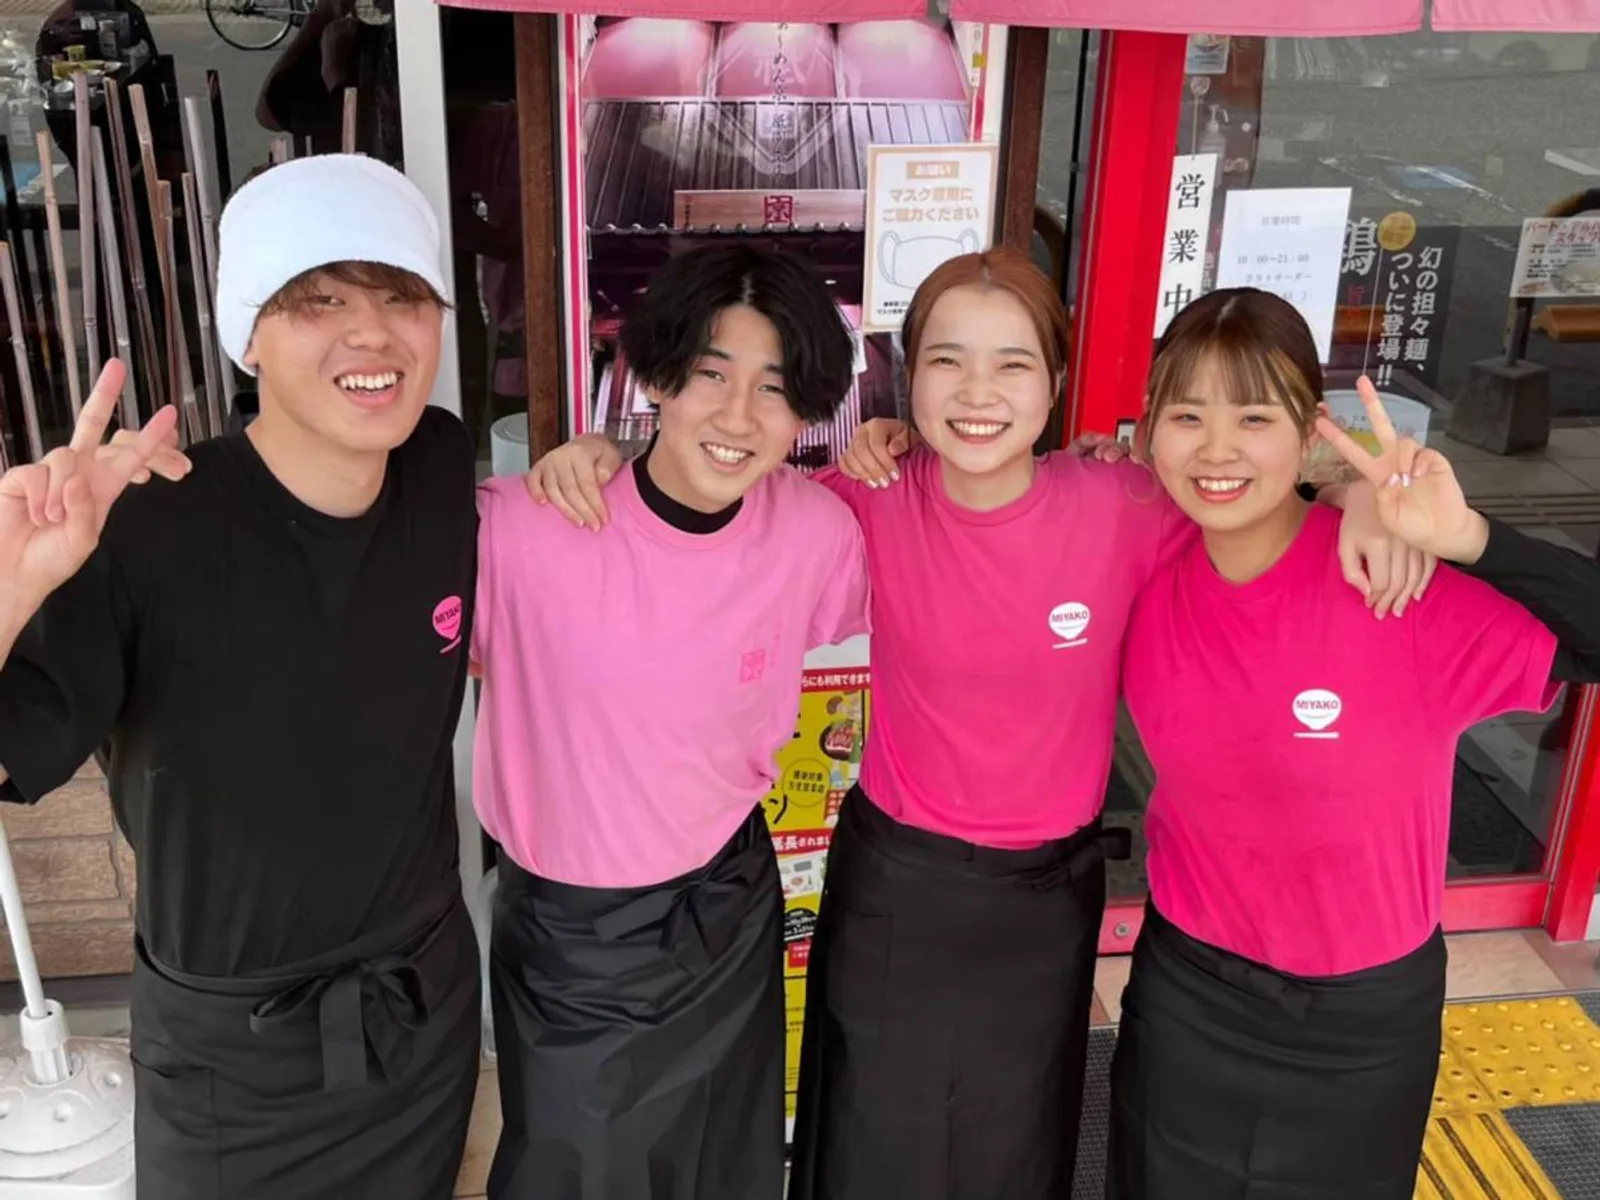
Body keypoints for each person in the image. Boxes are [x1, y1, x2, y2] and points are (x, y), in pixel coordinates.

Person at [523, 248, 1424, 1198]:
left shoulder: (1124, 501)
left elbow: (1248, 497)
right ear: (912, 377)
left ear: (1057, 381)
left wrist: (1356, 493)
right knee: (874, 1140)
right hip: (896, 889)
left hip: (1047, 896)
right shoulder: (868, 500)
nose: (978, 392)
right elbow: (713, 492)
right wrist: (606, 457)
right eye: (948, 361)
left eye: (1014, 363)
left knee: (1015, 1144)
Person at [0, 154, 481, 1199]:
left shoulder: (444, 471)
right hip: (234, 1050)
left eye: (402, 295)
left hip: (421, 999)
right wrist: (9, 588)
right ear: (246, 336)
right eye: (318, 301)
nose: (370, 334)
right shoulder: (144, 529)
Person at [1106, 288, 1600, 1200]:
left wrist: (1470, 539)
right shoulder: (1139, 563)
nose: (1216, 450)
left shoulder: (1392, 583)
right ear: (1148, 434)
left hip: (1362, 1021)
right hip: (1189, 994)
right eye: (1187, 415)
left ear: (1308, 433)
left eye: (1253, 416)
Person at [473, 243, 870, 1199]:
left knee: (724, 1163)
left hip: (727, 902)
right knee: (578, 1172)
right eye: (708, 376)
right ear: (654, 378)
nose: (738, 418)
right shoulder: (521, 529)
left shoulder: (818, 534)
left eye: (774, 389)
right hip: (575, 933)